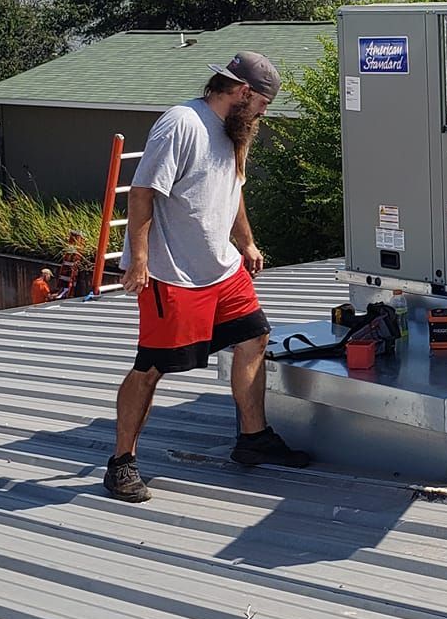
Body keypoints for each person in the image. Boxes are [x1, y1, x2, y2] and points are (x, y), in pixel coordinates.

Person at [104, 49, 310, 503]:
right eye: (262, 103)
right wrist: (138, 261)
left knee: (255, 336)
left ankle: (252, 439)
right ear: (242, 92)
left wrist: (247, 243)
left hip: (222, 269)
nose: (263, 113)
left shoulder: (237, 131)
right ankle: (121, 463)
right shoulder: (182, 124)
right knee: (152, 368)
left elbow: (232, 191)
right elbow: (142, 195)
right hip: (173, 274)